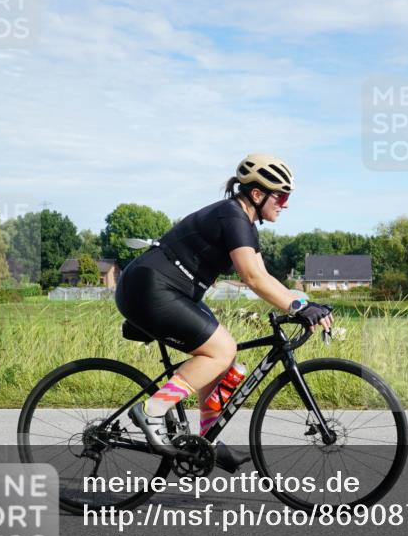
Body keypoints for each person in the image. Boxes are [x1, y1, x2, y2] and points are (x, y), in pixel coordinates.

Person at [114, 153, 333, 468]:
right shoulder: (232, 217)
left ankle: (206, 438)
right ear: (257, 194)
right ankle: (153, 411)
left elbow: (265, 277)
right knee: (221, 350)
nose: (285, 204)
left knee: (223, 355)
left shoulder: (241, 221)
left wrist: (304, 305)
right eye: (281, 195)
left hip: (170, 290)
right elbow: (253, 279)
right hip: (149, 289)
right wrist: (299, 306)